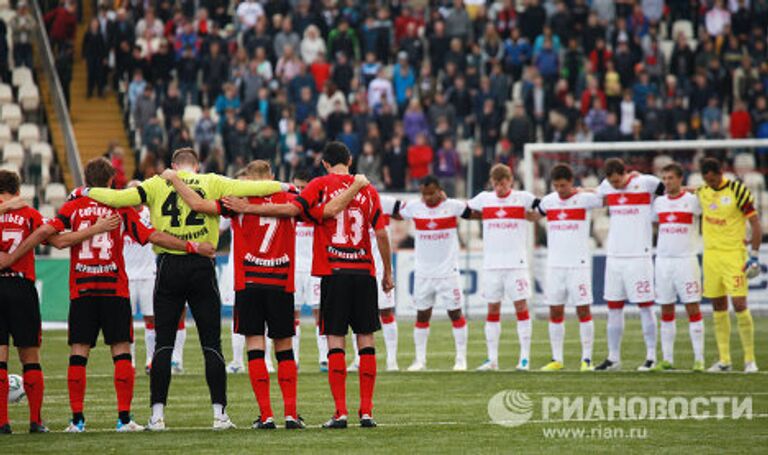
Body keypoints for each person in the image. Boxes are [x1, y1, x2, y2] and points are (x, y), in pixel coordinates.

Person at [76, 148, 288, 430]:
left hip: (168, 267)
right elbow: (256, 186)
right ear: (196, 167)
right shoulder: (212, 181)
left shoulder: (155, 183)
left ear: (173, 166)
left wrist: (82, 191)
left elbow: (117, 198)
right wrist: (287, 186)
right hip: (202, 264)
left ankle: (157, 416)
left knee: (163, 343)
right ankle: (219, 415)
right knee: (211, 343)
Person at [1, 159, 215, 433]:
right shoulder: (120, 206)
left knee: (78, 353)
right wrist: (191, 246)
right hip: (114, 287)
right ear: (112, 182)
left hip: (82, 288)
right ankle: (124, 419)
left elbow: (55, 238)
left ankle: (76, 421)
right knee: (121, 351)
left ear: (87, 181)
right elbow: (152, 236)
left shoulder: (73, 206)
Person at [594, 158, 665, 371]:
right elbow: (597, 194)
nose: (615, 186)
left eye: (617, 181)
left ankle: (651, 356)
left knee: (645, 305)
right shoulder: (607, 186)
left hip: (639, 255)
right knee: (614, 306)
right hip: (614, 256)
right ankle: (613, 357)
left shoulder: (647, 183)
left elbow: (670, 191)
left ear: (625, 173)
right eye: (612, 183)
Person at [467, 164, 537, 371]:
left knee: (521, 308)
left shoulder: (522, 198)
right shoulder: (484, 199)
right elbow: (464, 210)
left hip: (516, 265)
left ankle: (524, 358)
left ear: (510, 181)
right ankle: (492, 359)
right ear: (492, 182)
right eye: (496, 183)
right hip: (492, 265)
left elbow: (545, 207)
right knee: (492, 310)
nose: (499, 187)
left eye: (503, 182)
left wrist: (534, 216)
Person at [399, 176, 471, 372]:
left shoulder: (453, 206)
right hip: (423, 273)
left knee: (455, 313)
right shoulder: (414, 207)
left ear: (440, 190)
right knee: (422, 315)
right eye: (424, 194)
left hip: (448, 272)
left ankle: (461, 359)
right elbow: (397, 213)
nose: (428, 197)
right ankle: (420, 360)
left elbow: (473, 213)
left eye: (431, 193)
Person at [534, 164, 602, 371]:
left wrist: (586, 190)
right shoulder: (548, 201)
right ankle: (557, 359)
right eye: (556, 186)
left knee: (583, 310)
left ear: (571, 182)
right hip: (555, 266)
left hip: (578, 265)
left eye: (563, 185)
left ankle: (587, 359)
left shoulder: (584, 199)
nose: (560, 190)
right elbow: (534, 214)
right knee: (555, 311)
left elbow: (607, 195)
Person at [696, 158, 761, 373]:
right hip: (711, 257)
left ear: (720, 173)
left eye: (713, 179)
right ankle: (724, 360)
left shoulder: (737, 190)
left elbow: (755, 223)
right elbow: (681, 189)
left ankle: (750, 359)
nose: (711, 183)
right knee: (718, 306)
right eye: (707, 180)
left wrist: (754, 255)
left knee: (740, 304)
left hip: (734, 256)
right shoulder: (703, 191)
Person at [653, 163, 705, 372]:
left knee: (692, 308)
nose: (667, 182)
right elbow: (657, 225)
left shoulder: (693, 202)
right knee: (666, 308)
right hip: (663, 261)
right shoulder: (659, 203)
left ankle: (699, 359)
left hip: (686, 261)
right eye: (664, 178)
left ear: (680, 179)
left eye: (671, 178)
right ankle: (667, 359)